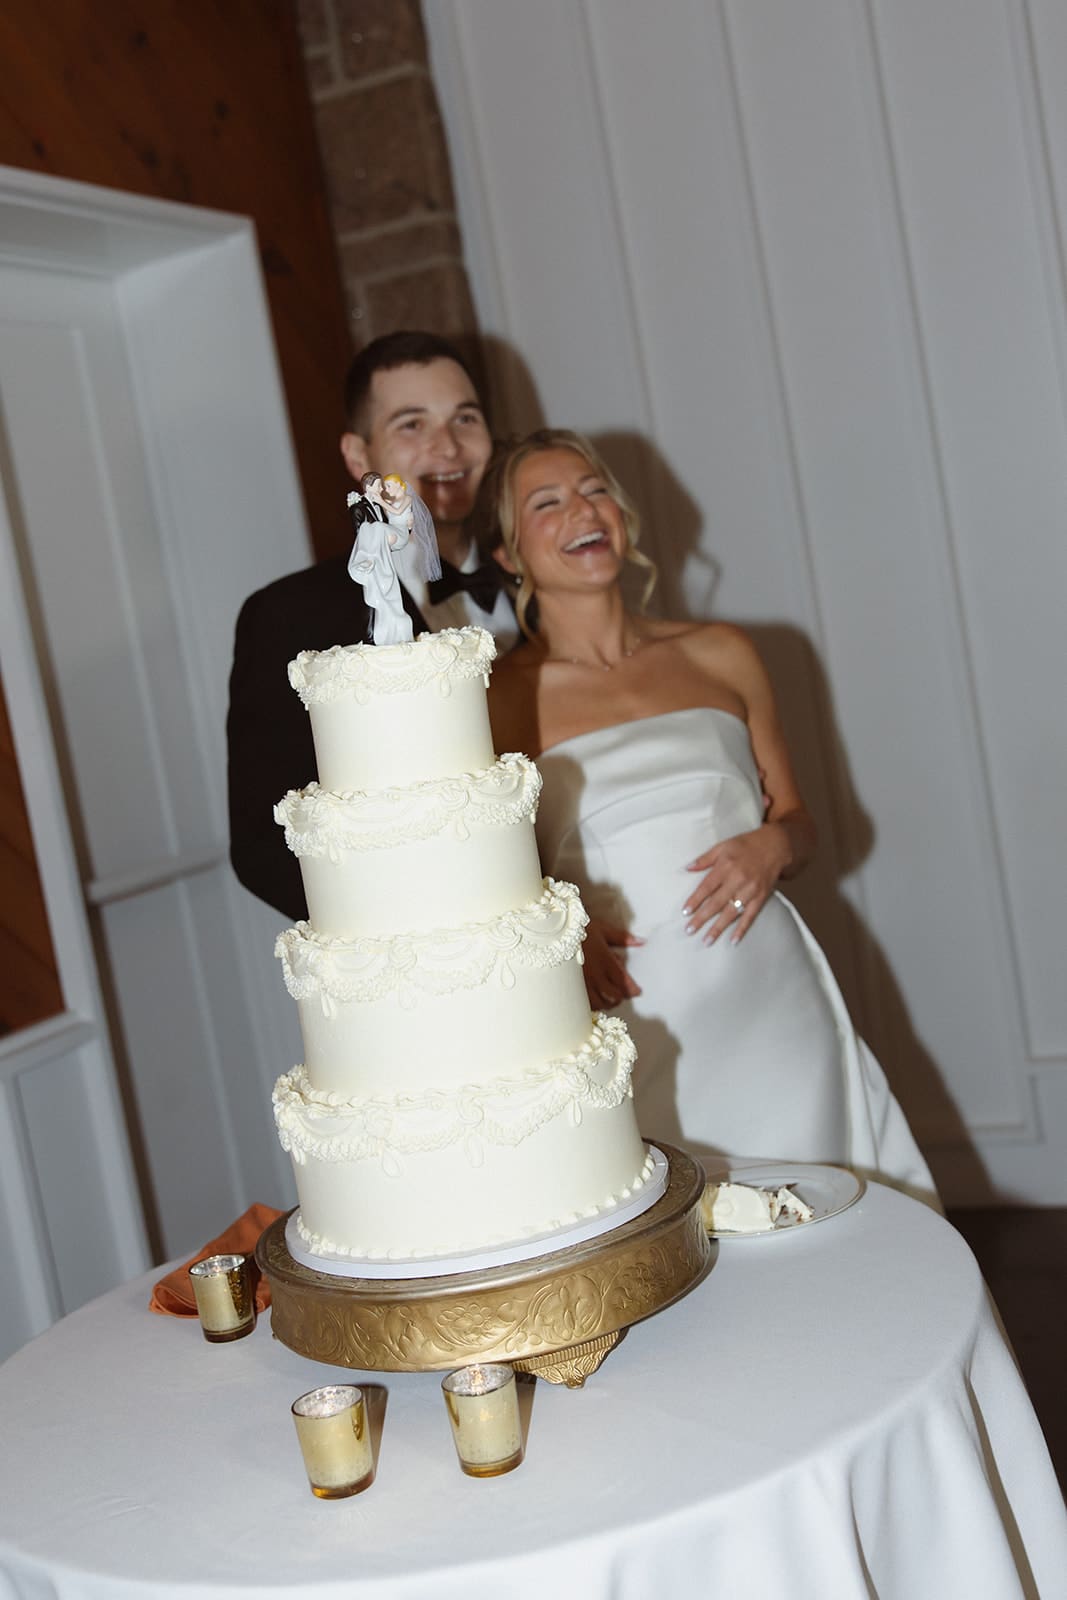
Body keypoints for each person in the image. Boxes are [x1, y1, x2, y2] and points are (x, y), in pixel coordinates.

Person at [486, 428, 935, 1197]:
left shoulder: (721, 651)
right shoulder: (496, 696)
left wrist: (770, 845)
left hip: (765, 984)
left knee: (831, 1204)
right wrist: (558, 924)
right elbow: (488, 876)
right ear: (509, 555)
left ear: (621, 517)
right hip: (630, 1003)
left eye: (594, 490)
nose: (581, 512)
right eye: (546, 503)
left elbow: (799, 821)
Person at [227, 331, 514, 923]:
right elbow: (265, 844)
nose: (448, 446)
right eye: (412, 424)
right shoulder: (287, 617)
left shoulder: (545, 580)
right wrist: (416, 931)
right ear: (360, 457)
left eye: (465, 417)